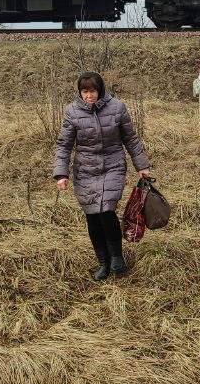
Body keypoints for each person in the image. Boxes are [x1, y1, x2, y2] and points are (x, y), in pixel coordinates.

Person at [53, 72, 152, 281]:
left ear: (101, 90)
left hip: (112, 165)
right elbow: (64, 145)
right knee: (92, 215)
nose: (89, 96)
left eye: (93, 91)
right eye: (85, 91)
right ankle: (103, 262)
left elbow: (131, 139)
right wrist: (61, 173)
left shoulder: (117, 108)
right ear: (80, 93)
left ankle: (117, 256)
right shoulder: (72, 112)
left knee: (106, 209)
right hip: (85, 170)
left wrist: (141, 165)